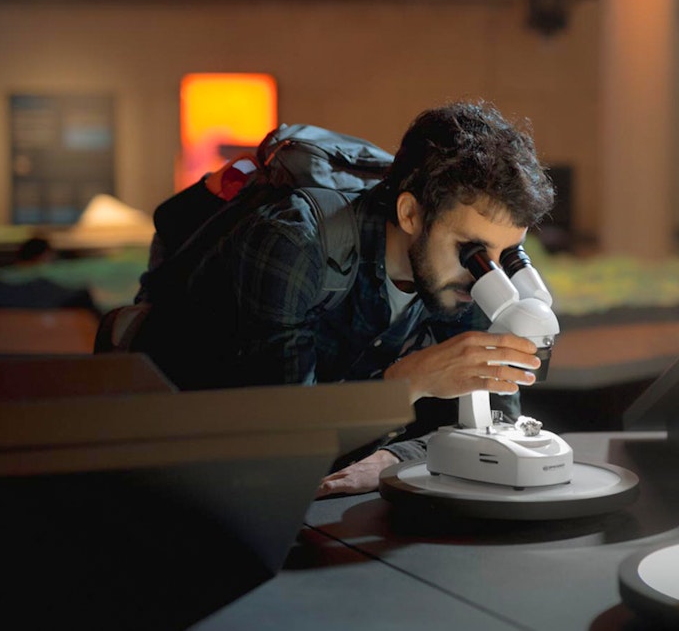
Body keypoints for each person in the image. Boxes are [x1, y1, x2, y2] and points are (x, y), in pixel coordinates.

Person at [135, 100, 556, 496]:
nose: (489, 274)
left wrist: (394, 457)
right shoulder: (294, 242)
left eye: (508, 254)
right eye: (473, 251)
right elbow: (282, 438)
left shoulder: (463, 278)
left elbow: (498, 422)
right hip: (180, 458)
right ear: (410, 214)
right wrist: (407, 382)